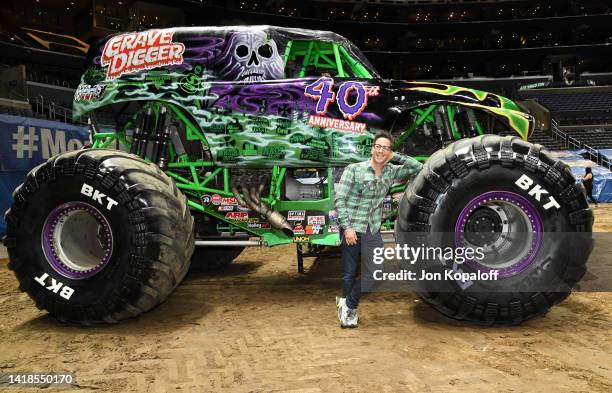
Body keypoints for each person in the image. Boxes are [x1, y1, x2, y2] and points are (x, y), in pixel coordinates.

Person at [334, 131, 423, 328]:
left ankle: (347, 303)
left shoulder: (391, 171)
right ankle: (350, 312)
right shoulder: (354, 169)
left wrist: (396, 157)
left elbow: (419, 168)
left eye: (386, 148)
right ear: (372, 148)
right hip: (351, 227)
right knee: (349, 272)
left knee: (376, 272)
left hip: (371, 228)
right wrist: (347, 228)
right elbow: (340, 199)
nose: (381, 151)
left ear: (390, 151)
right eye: (378, 146)